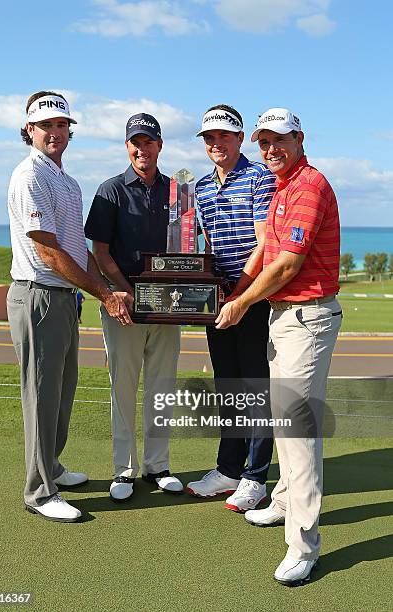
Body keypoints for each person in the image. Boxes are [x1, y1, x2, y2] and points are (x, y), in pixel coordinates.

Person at [216, 108, 341, 586]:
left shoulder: (309, 185)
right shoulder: (284, 187)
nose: (270, 150)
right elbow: (266, 250)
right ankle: (285, 500)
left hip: (306, 317)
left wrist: (241, 302)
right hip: (284, 317)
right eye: (263, 142)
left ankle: (303, 544)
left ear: (300, 139)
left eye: (280, 141)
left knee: (298, 431)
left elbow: (288, 264)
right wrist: (238, 294)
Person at [7, 90, 132, 523]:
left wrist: (108, 284)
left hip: (63, 298)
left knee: (61, 391)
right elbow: (49, 252)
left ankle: (52, 468)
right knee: (41, 395)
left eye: (62, 125)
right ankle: (40, 492)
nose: (55, 132)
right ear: (30, 130)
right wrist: (105, 293)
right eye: (46, 126)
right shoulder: (30, 176)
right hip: (38, 295)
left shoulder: (66, 180)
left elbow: (77, 251)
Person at [85, 113, 183, 501]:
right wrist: (124, 293)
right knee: (122, 388)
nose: (142, 149)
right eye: (135, 143)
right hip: (124, 307)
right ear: (128, 147)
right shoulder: (110, 190)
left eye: (149, 142)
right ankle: (123, 470)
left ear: (160, 146)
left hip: (168, 308)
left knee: (162, 387)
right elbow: (101, 252)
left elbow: (187, 247)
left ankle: (157, 466)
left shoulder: (178, 191)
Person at [186, 104, 277, 513]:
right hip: (218, 299)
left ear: (240, 138)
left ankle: (256, 477)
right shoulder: (202, 187)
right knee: (228, 384)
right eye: (209, 137)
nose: (216, 143)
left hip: (252, 297)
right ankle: (229, 468)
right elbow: (202, 245)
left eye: (224, 135)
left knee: (255, 386)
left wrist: (239, 295)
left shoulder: (260, 178)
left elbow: (263, 245)